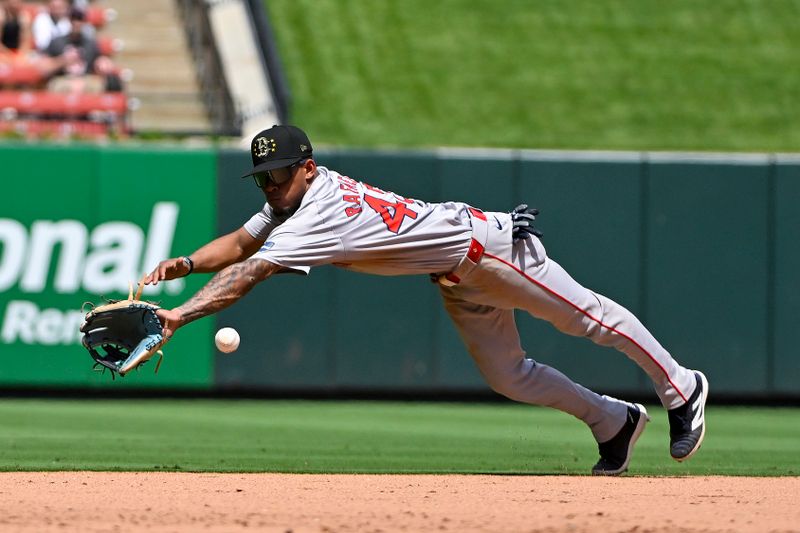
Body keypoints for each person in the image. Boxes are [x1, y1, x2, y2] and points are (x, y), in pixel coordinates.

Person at [144, 124, 709, 475]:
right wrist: (190, 264)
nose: (270, 188)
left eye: (279, 176)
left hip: (491, 250)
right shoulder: (292, 202)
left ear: (308, 169)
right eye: (263, 179)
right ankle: (614, 421)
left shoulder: (319, 210)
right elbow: (242, 242)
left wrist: (179, 315)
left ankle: (682, 386)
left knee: (588, 319)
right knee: (508, 376)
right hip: (456, 276)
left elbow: (250, 270)